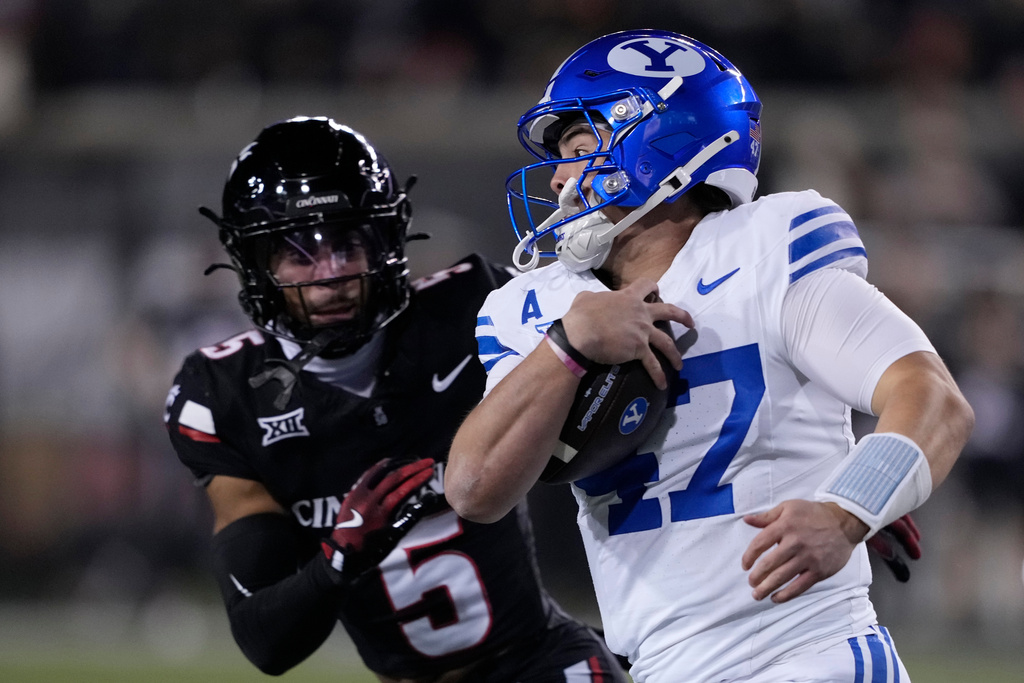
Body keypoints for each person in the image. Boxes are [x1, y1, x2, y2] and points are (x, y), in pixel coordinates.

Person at [445, 29, 975, 682]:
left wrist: (849, 508)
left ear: (659, 143)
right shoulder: (538, 309)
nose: (558, 177)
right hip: (664, 666)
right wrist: (567, 348)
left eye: (580, 149)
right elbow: (473, 489)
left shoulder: (764, 251)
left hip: (810, 656)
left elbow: (932, 398)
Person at [164, 116, 628, 683]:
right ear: (255, 263)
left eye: (347, 244)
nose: (330, 274)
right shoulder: (222, 394)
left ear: (386, 240)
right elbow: (267, 642)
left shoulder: (476, 306)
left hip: (538, 661)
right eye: (298, 253)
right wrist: (340, 559)